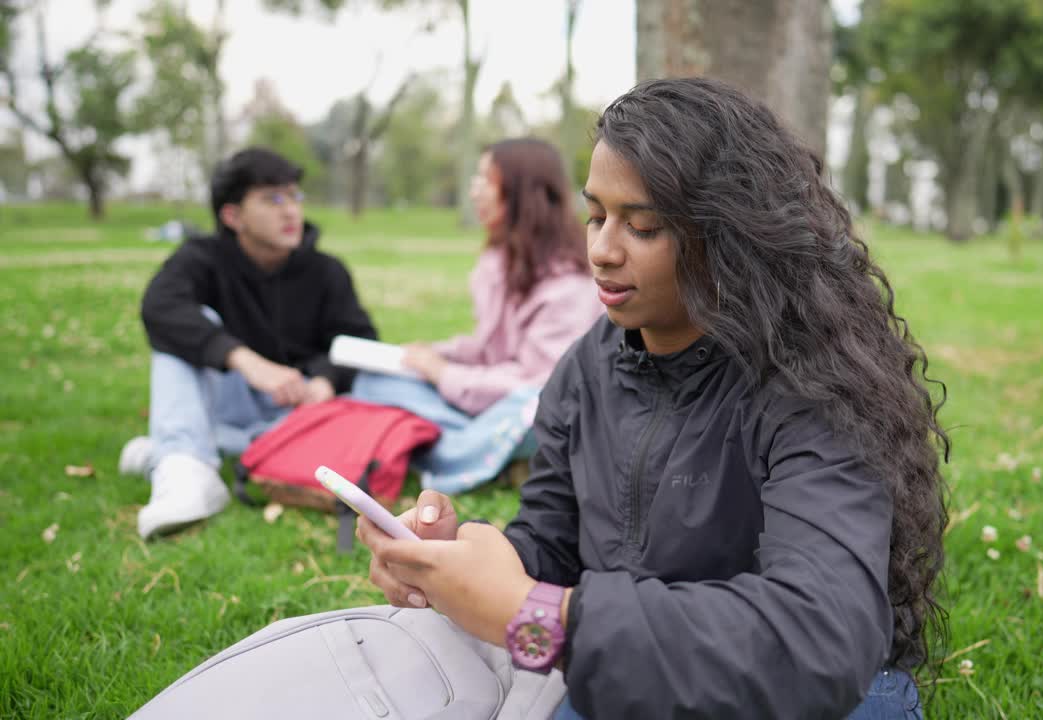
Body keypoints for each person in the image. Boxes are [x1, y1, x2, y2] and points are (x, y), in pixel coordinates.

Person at [356, 78, 949, 719]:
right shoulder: (587, 368)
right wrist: (467, 562)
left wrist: (536, 617)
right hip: (635, 676)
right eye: (595, 216)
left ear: (730, 236)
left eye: (642, 226)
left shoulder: (812, 385)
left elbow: (822, 639)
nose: (602, 251)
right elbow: (553, 540)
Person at [119, 147, 378, 539]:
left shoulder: (326, 271)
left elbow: (359, 340)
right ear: (232, 215)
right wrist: (243, 359)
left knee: (383, 388)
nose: (291, 211)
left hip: (296, 412)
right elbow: (159, 306)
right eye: (273, 199)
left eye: (295, 196)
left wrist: (325, 381)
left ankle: (166, 451)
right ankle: (186, 468)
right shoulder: (201, 258)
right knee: (190, 323)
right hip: (227, 397)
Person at [350, 138, 601, 493]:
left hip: (537, 404)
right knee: (372, 381)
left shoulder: (568, 282)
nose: (474, 190)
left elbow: (543, 383)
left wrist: (443, 373)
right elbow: (491, 346)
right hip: (490, 397)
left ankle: (456, 449)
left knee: (532, 411)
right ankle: (482, 452)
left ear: (521, 193)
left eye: (485, 180)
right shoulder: (500, 260)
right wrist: (437, 354)